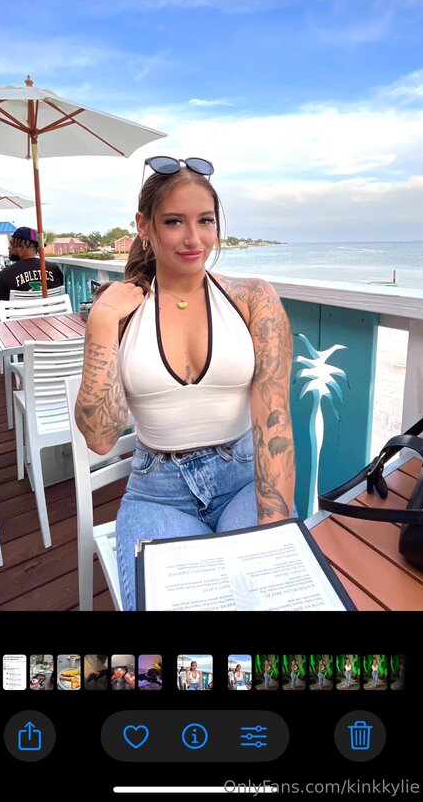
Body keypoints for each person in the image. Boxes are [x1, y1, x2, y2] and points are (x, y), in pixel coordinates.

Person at [75, 156, 296, 611]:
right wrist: (101, 321)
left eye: (205, 221)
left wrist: (274, 541)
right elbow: (100, 438)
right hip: (158, 493)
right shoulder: (121, 310)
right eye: (174, 221)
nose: (194, 239)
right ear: (144, 226)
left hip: (244, 480)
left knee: (274, 600)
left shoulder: (253, 299)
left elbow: (274, 422)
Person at [0, 227, 64, 319]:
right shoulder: (54, 269)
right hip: (52, 321)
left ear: (22, 247)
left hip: (19, 324)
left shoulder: (5, 274)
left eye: (12, 244)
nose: (9, 248)